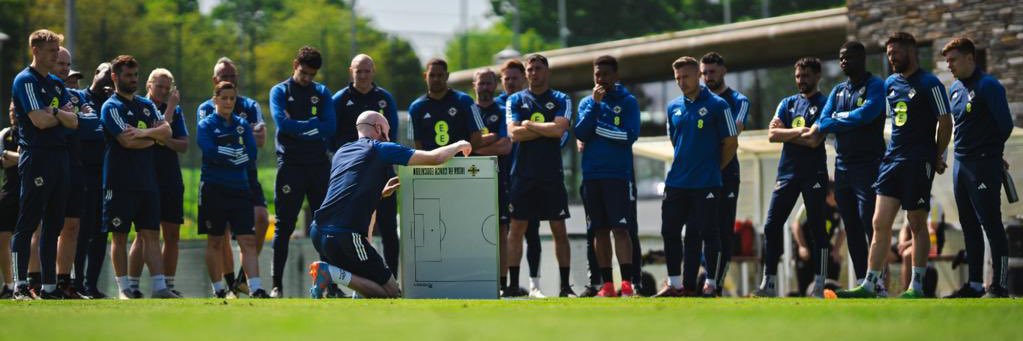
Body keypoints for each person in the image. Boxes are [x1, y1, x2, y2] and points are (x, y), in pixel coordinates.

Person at [837, 32, 953, 299]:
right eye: (889, 54)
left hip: (918, 160)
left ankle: (917, 285)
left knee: (916, 223)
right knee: (879, 222)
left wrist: (937, 154)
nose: (892, 58)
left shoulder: (930, 83)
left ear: (911, 52)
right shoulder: (889, 83)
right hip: (891, 161)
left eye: (896, 53)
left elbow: (944, 121)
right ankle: (870, 283)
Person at [308, 111, 472, 298]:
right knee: (391, 292)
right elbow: (433, 158)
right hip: (345, 235)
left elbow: (346, 191)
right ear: (378, 128)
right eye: (387, 131)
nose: (389, 136)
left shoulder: (342, 151)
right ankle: (329, 273)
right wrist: (459, 144)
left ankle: (341, 281)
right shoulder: (380, 148)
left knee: (368, 280)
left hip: (318, 231)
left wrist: (379, 194)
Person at [803, 41, 886, 287]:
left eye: (848, 57)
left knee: (870, 222)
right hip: (842, 167)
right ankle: (862, 280)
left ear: (861, 59)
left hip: (869, 165)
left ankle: (878, 281)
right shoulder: (838, 90)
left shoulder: (876, 86)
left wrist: (837, 120)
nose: (843, 62)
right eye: (841, 58)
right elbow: (822, 120)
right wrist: (844, 120)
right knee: (850, 225)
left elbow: (867, 115)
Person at [655, 56, 737, 297]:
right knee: (669, 231)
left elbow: (731, 142)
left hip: (707, 182)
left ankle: (711, 284)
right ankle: (675, 284)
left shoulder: (719, 105)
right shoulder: (672, 107)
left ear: (698, 76)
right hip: (677, 181)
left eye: (685, 76)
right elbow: (676, 141)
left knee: (709, 233)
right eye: (677, 78)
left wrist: (713, 167)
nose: (681, 81)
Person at [99, 55, 179, 299]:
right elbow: (126, 140)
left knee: (151, 235)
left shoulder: (146, 104)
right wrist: (153, 138)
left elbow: (167, 130)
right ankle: (125, 289)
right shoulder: (111, 107)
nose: (133, 80)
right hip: (119, 182)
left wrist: (146, 133)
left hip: (147, 181)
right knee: (120, 236)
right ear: (115, 77)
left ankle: (159, 287)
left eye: (135, 75)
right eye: (128, 76)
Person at [753, 57, 831, 298]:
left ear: (817, 76)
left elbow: (815, 139)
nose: (801, 80)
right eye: (798, 76)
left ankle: (820, 283)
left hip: (814, 174)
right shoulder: (786, 104)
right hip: (787, 172)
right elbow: (772, 135)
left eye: (806, 76)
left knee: (818, 227)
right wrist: (798, 131)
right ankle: (770, 283)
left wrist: (786, 134)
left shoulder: (826, 103)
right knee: (771, 225)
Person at [10, 29, 78, 300]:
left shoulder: (57, 84)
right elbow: (38, 121)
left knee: (54, 225)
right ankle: (20, 286)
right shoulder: (25, 80)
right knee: (28, 223)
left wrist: (54, 112)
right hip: (37, 156)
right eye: (51, 51)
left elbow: (74, 121)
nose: (56, 55)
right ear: (36, 51)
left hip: (60, 157)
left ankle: (50, 287)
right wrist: (57, 115)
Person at [942, 37, 1013, 298]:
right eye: (947, 61)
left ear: (970, 58)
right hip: (960, 165)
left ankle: (1000, 285)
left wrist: (993, 154)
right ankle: (973, 285)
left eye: (953, 60)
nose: (949, 65)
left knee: (991, 224)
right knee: (968, 225)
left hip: (983, 164)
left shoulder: (989, 86)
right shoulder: (955, 89)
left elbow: (1004, 125)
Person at [505, 54, 577, 297]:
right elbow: (514, 134)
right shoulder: (515, 99)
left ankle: (565, 287)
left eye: (538, 68)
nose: (534, 73)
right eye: (530, 69)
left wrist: (530, 125)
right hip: (523, 174)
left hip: (551, 174)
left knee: (558, 229)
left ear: (547, 72)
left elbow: (559, 130)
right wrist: (546, 129)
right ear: (526, 73)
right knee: (516, 229)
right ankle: (513, 285)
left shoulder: (560, 98)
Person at [197, 57, 269, 297]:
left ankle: (255, 287)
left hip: (241, 185)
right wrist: (233, 152)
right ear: (215, 97)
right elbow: (209, 150)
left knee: (248, 238)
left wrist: (230, 152)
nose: (228, 102)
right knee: (216, 240)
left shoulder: (242, 121)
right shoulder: (206, 120)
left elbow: (252, 148)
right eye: (224, 97)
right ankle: (219, 288)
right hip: (214, 187)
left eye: (232, 97)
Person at [268, 46, 336, 298]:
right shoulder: (280, 91)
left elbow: (329, 127)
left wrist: (299, 127)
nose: (307, 78)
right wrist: (312, 126)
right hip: (290, 166)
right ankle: (277, 286)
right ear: (294, 64)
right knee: (284, 226)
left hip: (318, 166)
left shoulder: (322, 93)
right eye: (303, 72)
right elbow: (281, 123)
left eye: (311, 74)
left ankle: (332, 285)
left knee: (325, 226)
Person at [331, 54, 398, 298]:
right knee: (353, 230)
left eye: (367, 71)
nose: (363, 75)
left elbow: (391, 136)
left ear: (374, 71)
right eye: (359, 71)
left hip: (381, 172)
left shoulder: (384, 99)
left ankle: (392, 277)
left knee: (389, 229)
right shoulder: (339, 100)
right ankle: (345, 285)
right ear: (351, 71)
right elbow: (332, 137)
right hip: (353, 178)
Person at [574, 55, 639, 297]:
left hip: (618, 175)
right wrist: (594, 107)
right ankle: (608, 285)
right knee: (599, 231)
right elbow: (580, 131)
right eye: (596, 74)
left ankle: (627, 283)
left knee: (620, 230)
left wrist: (596, 130)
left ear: (616, 75)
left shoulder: (628, 102)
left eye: (605, 74)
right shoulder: (587, 103)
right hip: (592, 175)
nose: (600, 79)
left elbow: (629, 136)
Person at [700, 52, 751, 296]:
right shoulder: (696, 100)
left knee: (723, 228)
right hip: (699, 173)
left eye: (712, 72)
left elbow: (734, 133)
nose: (707, 77)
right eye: (704, 73)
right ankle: (702, 276)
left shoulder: (738, 100)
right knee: (701, 227)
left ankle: (716, 282)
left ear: (723, 71)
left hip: (726, 172)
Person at [495, 59, 544, 298]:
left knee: (531, 232)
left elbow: (555, 137)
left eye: (515, 78)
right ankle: (506, 284)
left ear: (523, 79)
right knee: (503, 233)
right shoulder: (493, 107)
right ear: (501, 81)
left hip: (527, 176)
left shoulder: (529, 102)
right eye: (507, 78)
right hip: (498, 179)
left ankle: (534, 284)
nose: (511, 82)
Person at [467, 68, 514, 296]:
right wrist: (489, 140)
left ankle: (502, 283)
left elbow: (506, 146)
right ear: (473, 85)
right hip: (470, 181)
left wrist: (475, 147)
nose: (484, 87)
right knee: (471, 230)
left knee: (501, 230)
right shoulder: (467, 111)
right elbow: (464, 147)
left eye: (488, 83)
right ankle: (474, 278)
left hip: (499, 178)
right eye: (481, 83)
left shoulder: (503, 111)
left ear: (495, 85)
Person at [72, 62, 114, 299]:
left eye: (112, 76)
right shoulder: (80, 98)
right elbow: (84, 130)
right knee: (82, 230)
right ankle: (75, 283)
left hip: (106, 176)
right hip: (84, 173)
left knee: (101, 232)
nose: (109, 80)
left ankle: (91, 285)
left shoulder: (112, 103)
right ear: (96, 74)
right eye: (106, 74)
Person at [53, 46, 86, 299]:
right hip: (49, 163)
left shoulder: (76, 97)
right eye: (60, 64)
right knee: (44, 227)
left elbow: (89, 121)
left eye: (68, 65)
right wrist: (67, 117)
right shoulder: (38, 88)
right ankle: (36, 282)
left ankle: (64, 282)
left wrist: (70, 116)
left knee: (72, 226)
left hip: (74, 166)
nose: (65, 70)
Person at [791, 180, 844, 296]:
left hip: (823, 245)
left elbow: (842, 231)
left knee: (834, 263)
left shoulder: (839, 209)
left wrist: (836, 250)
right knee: (805, 279)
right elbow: (796, 225)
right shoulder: (812, 202)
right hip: (806, 244)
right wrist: (802, 247)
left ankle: (830, 293)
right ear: (830, 193)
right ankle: (804, 298)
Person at [0, 104, 21, 299]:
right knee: (2, 238)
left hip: (29, 191)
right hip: (8, 192)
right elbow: (1, 161)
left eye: (15, 110)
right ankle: (8, 285)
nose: (13, 113)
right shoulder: (4, 134)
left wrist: (8, 155)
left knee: (31, 238)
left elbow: (28, 158)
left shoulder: (30, 131)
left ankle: (28, 283)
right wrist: (8, 157)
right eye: (10, 111)